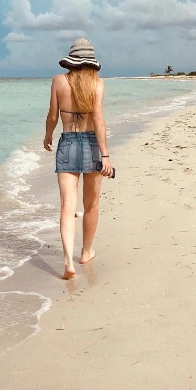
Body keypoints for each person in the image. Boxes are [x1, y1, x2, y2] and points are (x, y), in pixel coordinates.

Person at [43, 38, 113, 280]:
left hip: (68, 142)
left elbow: (52, 116)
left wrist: (47, 136)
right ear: (91, 62)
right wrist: (105, 156)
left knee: (67, 206)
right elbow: (100, 121)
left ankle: (67, 261)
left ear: (71, 61)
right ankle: (85, 252)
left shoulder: (58, 81)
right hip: (93, 144)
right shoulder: (98, 84)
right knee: (91, 204)